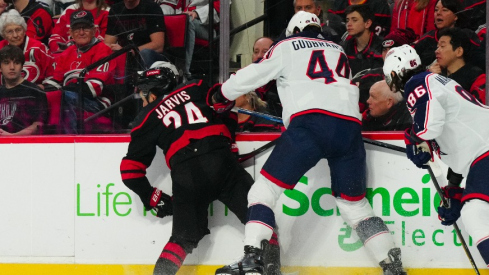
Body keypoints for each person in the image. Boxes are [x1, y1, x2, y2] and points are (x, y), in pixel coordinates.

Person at [210, 11, 407, 275]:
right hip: (349, 129)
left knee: (262, 193)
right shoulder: (338, 50)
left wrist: (221, 94)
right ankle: (393, 267)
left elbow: (253, 75)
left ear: (292, 31)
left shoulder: (287, 45)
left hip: (312, 125)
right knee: (355, 205)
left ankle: (253, 260)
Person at [120, 64, 281, 275]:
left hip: (186, 174)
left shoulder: (145, 118)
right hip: (221, 161)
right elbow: (227, 108)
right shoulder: (196, 87)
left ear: (152, 92)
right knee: (260, 220)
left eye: (144, 94)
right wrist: (226, 139)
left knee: (182, 239)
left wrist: (154, 197)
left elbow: (129, 171)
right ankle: (273, 270)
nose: (143, 99)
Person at [383, 43, 489, 270]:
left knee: (475, 214)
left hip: (485, 151)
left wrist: (412, 137)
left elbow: (429, 127)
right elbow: (460, 139)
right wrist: (454, 187)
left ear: (395, 73)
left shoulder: (416, 83)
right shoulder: (437, 81)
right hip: (481, 155)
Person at [42, 10, 115, 133]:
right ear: (70, 33)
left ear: (94, 30)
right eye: (76, 29)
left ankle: (70, 140)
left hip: (97, 102)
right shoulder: (67, 52)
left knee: (64, 96)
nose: (81, 32)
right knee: (42, 96)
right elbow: (56, 80)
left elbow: (93, 89)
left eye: (85, 28)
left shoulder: (103, 50)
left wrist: (64, 90)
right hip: (70, 95)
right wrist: (40, 89)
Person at [354, 27, 417, 112]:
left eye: (393, 50)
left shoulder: (416, 79)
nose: (388, 54)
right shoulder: (369, 76)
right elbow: (357, 111)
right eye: (384, 50)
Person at [413, 0, 485, 70]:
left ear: (455, 16)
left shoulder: (467, 35)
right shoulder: (427, 38)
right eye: (436, 10)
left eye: (444, 10)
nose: (438, 13)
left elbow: (479, 60)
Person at [429, 27, 486, 103]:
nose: (436, 51)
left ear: (459, 51)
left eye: (442, 46)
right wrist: (430, 79)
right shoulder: (433, 74)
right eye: (437, 47)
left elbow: (478, 109)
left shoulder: (477, 77)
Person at [0, 45, 47, 135]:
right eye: (6, 63)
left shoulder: (35, 92)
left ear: (22, 66)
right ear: (0, 68)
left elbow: (38, 125)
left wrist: (12, 137)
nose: (12, 67)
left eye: (16, 63)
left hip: (24, 144)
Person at [104, 0, 166, 69]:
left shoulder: (151, 7)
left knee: (145, 53)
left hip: (151, 57)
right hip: (126, 58)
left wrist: (129, 52)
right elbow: (108, 44)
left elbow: (158, 45)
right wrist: (121, 52)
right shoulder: (115, 9)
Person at [0, 9, 53, 85]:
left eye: (18, 30)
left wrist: (44, 86)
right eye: (10, 32)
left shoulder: (38, 48)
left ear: (24, 30)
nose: (15, 35)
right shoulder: (1, 48)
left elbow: (52, 73)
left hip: (34, 92)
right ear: (4, 35)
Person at [177, 0, 220, 81]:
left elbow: (219, 6)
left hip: (208, 28)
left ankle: (186, 72)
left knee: (187, 22)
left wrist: (197, 13)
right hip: (188, 17)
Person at [342, 5, 383, 78]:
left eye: (354, 20)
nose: (349, 24)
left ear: (367, 23)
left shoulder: (382, 48)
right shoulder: (344, 46)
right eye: (347, 20)